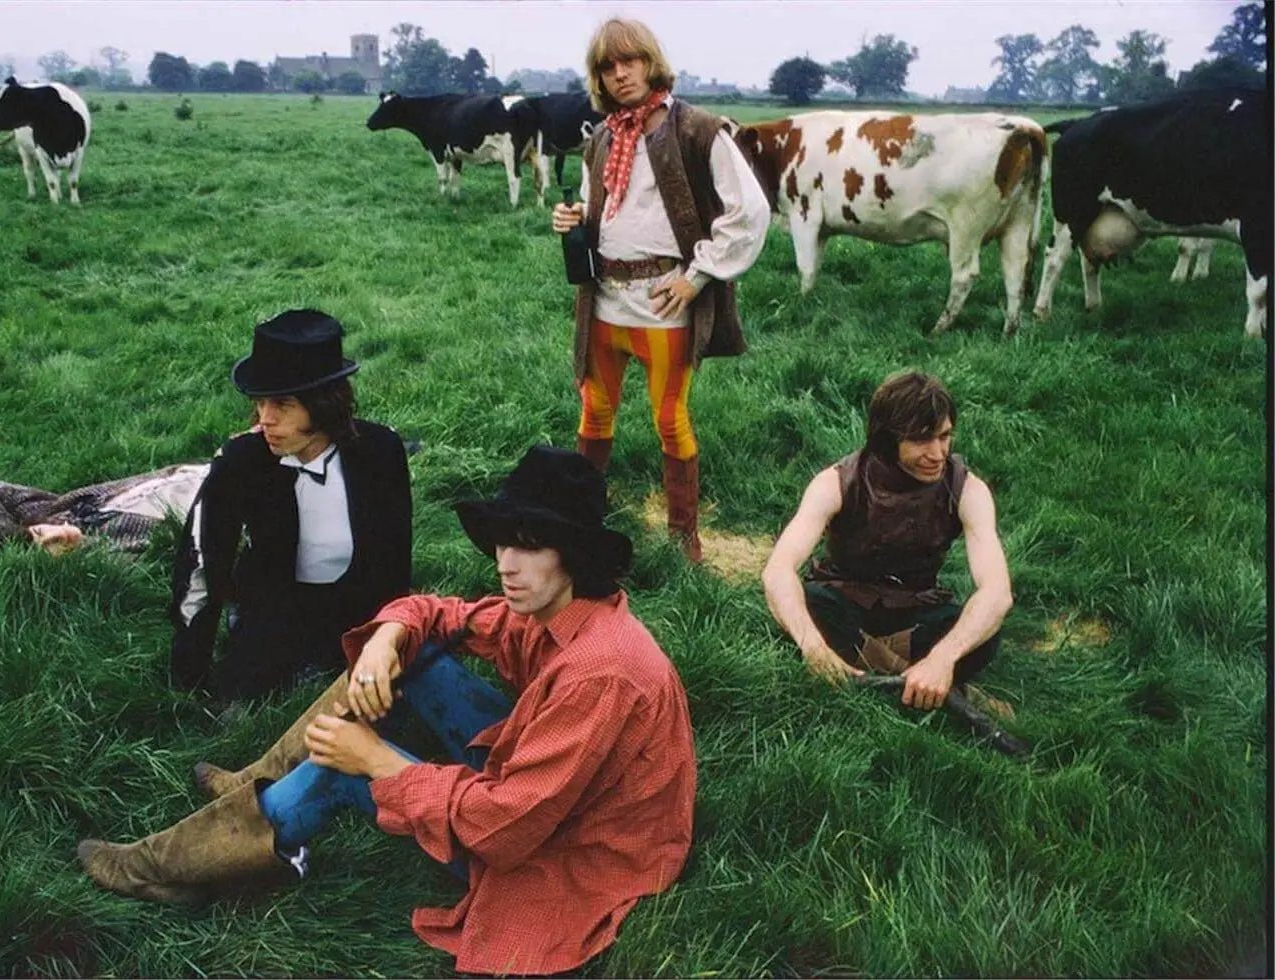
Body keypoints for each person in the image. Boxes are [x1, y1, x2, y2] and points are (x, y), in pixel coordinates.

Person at [78, 446, 697, 977]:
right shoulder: (561, 607)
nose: (506, 563)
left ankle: (163, 868)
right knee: (410, 651)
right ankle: (251, 789)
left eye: (530, 545)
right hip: (550, 790)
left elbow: (505, 830)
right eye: (503, 540)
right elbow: (440, 613)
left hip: (581, 848)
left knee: (347, 765)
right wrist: (382, 643)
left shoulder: (601, 673)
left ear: (575, 554)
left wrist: (377, 762)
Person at [551, 16, 769, 562]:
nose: (620, 74)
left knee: (670, 418)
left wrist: (696, 278)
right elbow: (602, 208)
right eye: (607, 65)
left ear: (650, 62)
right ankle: (584, 522)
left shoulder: (698, 129)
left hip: (663, 305)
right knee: (593, 412)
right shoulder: (601, 138)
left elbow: (749, 211)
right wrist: (575, 216)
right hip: (604, 302)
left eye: (630, 61)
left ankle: (682, 538)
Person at [169, 308, 413, 702]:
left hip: (353, 609)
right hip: (273, 610)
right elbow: (201, 562)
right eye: (260, 403)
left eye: (282, 405)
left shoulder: (378, 452)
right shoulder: (241, 461)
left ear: (323, 403)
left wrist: (390, 637)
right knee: (243, 697)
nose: (265, 419)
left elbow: (395, 562)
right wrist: (188, 673)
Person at [761, 370, 1014, 711]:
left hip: (915, 611)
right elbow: (778, 570)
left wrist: (942, 657)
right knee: (806, 608)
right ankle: (929, 687)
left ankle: (874, 673)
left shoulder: (968, 490)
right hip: (844, 603)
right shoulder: (836, 483)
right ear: (888, 439)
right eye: (922, 440)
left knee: (982, 633)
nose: (938, 453)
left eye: (944, 437)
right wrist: (812, 645)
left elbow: (997, 593)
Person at [0, 463, 210, 555]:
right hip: (212, 496)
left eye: (38, 532)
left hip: (197, 473)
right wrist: (79, 546)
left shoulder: (50, 511)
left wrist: (8, 536)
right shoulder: (111, 543)